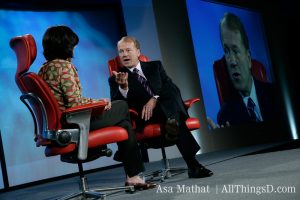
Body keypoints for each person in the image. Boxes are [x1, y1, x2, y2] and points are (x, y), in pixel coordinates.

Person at [38, 25, 156, 190]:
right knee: (121, 106)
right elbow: (74, 103)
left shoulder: (43, 69)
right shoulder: (63, 67)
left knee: (124, 125)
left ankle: (133, 176)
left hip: (64, 124)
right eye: (72, 45)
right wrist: (99, 103)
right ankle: (131, 169)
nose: (74, 49)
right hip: (76, 124)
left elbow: (68, 101)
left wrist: (97, 102)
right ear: (65, 46)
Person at [109, 36, 213, 178]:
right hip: (144, 115)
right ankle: (193, 165)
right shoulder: (116, 78)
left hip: (162, 108)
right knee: (172, 112)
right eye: (121, 51)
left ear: (138, 52)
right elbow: (117, 107)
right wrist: (124, 88)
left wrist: (154, 98)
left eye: (128, 50)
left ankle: (172, 123)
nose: (125, 54)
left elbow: (171, 88)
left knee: (170, 90)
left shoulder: (155, 66)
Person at [208, 12, 278, 128]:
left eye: (235, 51)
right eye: (226, 51)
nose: (232, 61)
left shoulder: (276, 95)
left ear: (249, 58)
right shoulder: (225, 116)